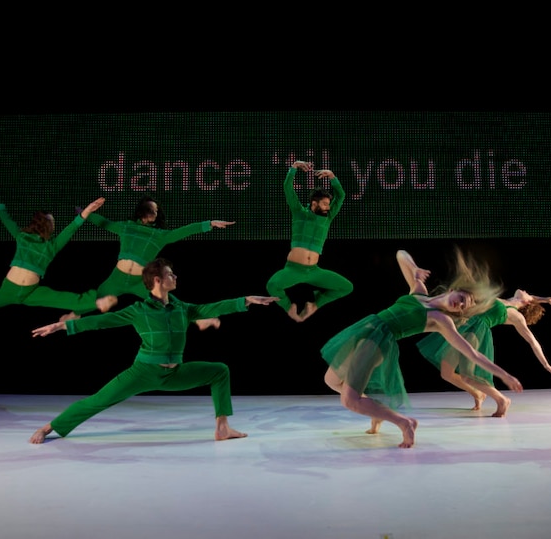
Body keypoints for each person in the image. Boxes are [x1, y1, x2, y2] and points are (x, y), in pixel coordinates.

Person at [28, 257, 279, 444]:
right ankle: (50, 427)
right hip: (143, 371)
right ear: (158, 280)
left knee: (219, 371)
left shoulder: (183, 308)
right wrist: (62, 326)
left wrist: (245, 300)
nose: (176, 277)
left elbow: (211, 308)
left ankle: (222, 428)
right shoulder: (139, 310)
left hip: (174, 374)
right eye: (171, 274)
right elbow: (100, 322)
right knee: (98, 401)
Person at [321, 249, 523, 449]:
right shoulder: (419, 292)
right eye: (462, 298)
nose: (460, 304)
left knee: (349, 399)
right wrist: (414, 268)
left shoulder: (441, 320)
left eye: (463, 306)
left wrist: (504, 375)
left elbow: (472, 353)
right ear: (453, 290)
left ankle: (404, 422)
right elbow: (400, 254)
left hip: (377, 341)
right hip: (364, 331)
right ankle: (377, 411)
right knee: (331, 380)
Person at [57, 194, 235, 326]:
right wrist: (83, 211)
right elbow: (103, 222)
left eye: (157, 211)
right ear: (142, 210)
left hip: (140, 281)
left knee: (168, 301)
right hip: (117, 278)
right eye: (152, 209)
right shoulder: (126, 227)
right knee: (94, 300)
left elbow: (183, 231)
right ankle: (71, 318)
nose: (155, 213)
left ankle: (198, 319)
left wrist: (209, 224)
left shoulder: (160, 235)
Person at [0, 196, 118, 316]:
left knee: (61, 298)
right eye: (52, 221)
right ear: (45, 224)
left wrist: (88, 210)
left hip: (31, 291)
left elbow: (71, 229)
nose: (54, 224)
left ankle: (96, 302)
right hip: (10, 289)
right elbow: (8, 221)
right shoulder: (22, 237)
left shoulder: (51, 245)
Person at [416, 289, 551, 417]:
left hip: (476, 331)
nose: (526, 291)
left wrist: (546, 364)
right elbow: (531, 298)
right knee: (446, 373)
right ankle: (477, 393)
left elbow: (532, 342)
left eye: (528, 294)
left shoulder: (516, 315)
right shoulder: (507, 301)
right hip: (465, 325)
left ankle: (502, 400)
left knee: (468, 375)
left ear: (527, 303)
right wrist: (546, 299)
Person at [266, 160, 353, 322]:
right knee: (272, 285)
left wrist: (333, 177)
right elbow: (288, 188)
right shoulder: (299, 212)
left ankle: (315, 303)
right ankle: (289, 309)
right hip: (293, 270)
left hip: (314, 271)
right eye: (325, 203)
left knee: (347, 287)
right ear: (315, 203)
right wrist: (293, 168)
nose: (328, 207)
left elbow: (341, 196)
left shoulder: (328, 217)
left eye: (329, 204)